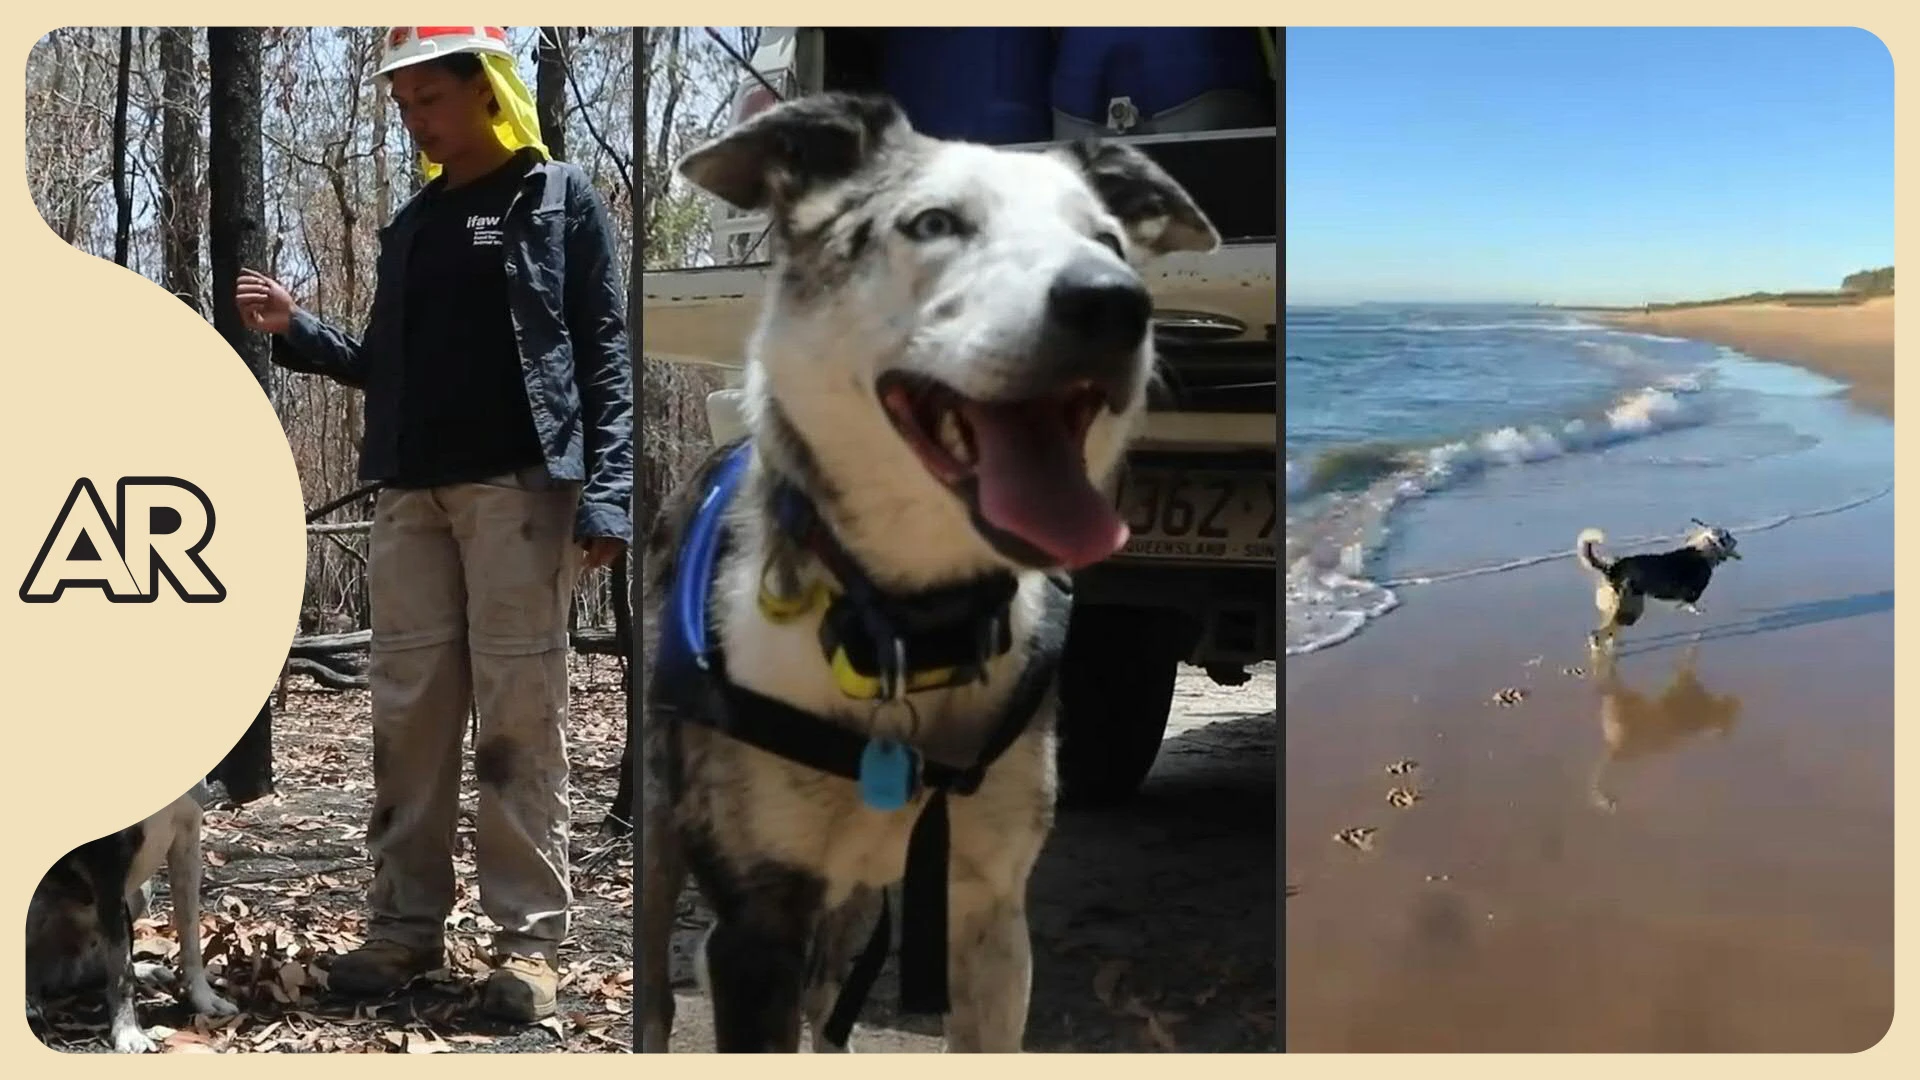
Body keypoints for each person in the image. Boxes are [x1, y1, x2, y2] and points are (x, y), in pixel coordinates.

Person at [233, 26, 632, 1023]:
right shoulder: (414, 223)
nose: (417, 120)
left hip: (520, 491)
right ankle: (403, 928)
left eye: (431, 100)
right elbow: (389, 366)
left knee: (519, 717)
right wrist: (301, 333)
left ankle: (529, 944)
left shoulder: (555, 199)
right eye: (404, 107)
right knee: (407, 715)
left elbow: (603, 351)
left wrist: (610, 492)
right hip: (411, 494)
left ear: (487, 90)